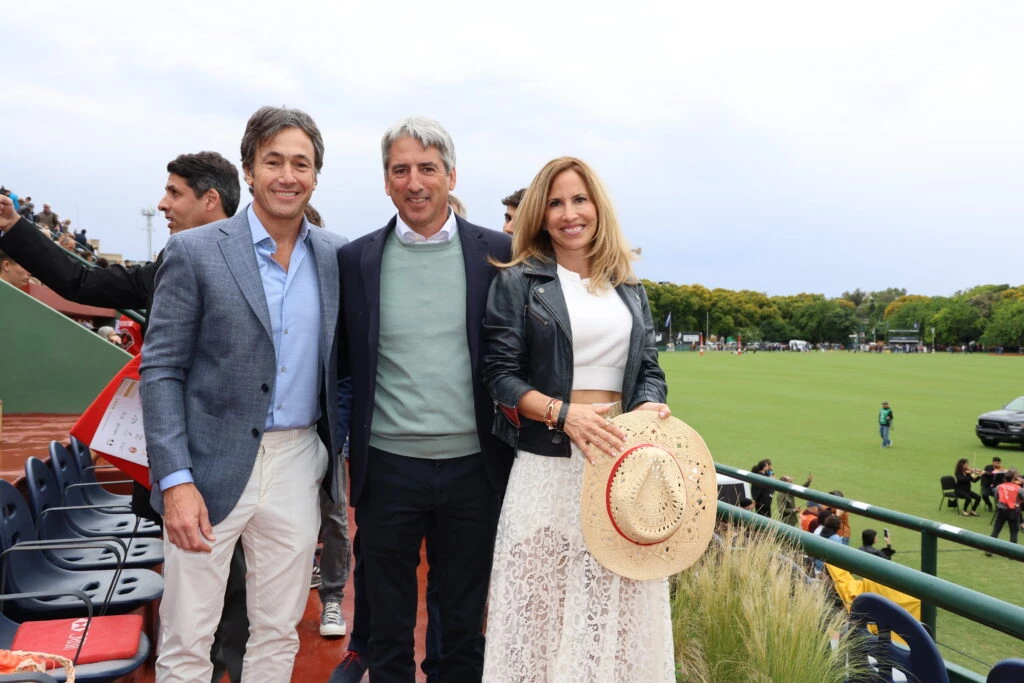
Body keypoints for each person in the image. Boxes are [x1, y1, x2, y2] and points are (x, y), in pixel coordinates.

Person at [140, 106, 348, 683]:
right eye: (273, 161)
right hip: (206, 469)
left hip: (297, 461)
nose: (288, 175)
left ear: (315, 175)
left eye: (300, 164)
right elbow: (160, 371)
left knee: (278, 633)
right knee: (187, 640)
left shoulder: (336, 257)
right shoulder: (196, 251)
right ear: (249, 170)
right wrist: (174, 481)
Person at [334, 116, 513, 683]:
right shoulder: (356, 260)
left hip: (474, 470)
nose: (414, 182)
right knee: (386, 627)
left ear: (451, 176)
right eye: (400, 170)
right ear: (386, 182)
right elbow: (341, 367)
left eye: (427, 168)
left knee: (461, 627)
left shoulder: (499, 253)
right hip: (387, 468)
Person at [481, 156, 673, 681]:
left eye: (579, 200)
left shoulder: (628, 286)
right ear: (540, 215)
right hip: (547, 468)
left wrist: (648, 406)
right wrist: (564, 416)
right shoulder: (519, 281)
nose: (569, 213)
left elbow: (650, 369)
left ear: (597, 206)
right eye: (556, 202)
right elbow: (499, 376)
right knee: (540, 618)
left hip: (618, 469)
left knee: (618, 617)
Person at [987, 468, 1023, 554]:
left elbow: (995, 495)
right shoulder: (1018, 488)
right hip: (1014, 511)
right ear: (1014, 479)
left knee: (996, 530)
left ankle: (989, 550)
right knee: (1014, 532)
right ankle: (1012, 554)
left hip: (1001, 511)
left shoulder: (1000, 486)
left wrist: (998, 504)